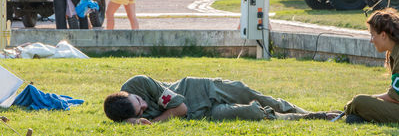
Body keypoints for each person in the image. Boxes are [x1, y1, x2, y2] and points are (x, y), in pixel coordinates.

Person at [104, 75, 340, 124]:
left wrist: (154, 122)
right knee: (255, 113)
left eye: (140, 100)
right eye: (140, 111)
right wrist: (131, 123)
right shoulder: (128, 115)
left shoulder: (138, 83)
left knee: (262, 98)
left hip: (207, 88)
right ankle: (313, 117)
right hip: (204, 114)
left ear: (129, 94)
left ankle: (313, 111)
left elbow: (181, 108)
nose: (145, 106)